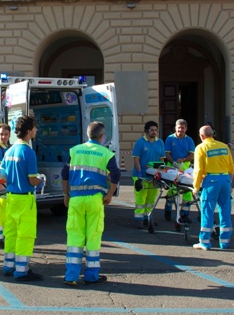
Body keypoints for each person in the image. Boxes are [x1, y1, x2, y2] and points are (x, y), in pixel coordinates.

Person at [61, 122, 121, 286]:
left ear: (88, 134)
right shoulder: (106, 153)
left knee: (74, 237)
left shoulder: (75, 150)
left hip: (76, 199)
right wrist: (110, 194)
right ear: (101, 137)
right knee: (93, 237)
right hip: (95, 199)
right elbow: (116, 175)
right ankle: (91, 276)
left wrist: (66, 194)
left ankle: (71, 276)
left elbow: (64, 174)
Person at [0, 115, 44, 281]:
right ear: (28, 131)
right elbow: (32, 180)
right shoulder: (28, 152)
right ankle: (21, 270)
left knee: (11, 234)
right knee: (25, 235)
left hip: (11, 197)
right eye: (35, 127)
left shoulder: (9, 151)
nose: (36, 130)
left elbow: (2, 176)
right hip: (25, 199)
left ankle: (8, 266)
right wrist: (40, 181)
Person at [191, 125, 234, 250]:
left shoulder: (201, 148)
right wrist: (229, 183)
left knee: (207, 211)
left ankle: (204, 242)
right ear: (213, 134)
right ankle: (224, 242)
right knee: (225, 210)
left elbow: (198, 170)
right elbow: (232, 168)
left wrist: (195, 187)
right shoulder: (224, 146)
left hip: (211, 181)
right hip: (225, 179)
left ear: (201, 136)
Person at [132, 120, 166, 228]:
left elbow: (162, 159)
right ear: (146, 131)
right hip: (141, 175)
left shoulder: (160, 142)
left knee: (151, 198)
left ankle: (149, 217)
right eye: (152, 130)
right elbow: (136, 159)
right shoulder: (140, 142)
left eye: (156, 130)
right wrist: (139, 173)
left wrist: (161, 172)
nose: (154, 132)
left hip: (154, 175)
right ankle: (139, 219)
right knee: (141, 198)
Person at [164, 119, 196, 224]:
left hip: (185, 170)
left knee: (188, 192)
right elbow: (167, 153)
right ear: (175, 128)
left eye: (182, 128)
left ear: (186, 129)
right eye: (179, 128)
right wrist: (173, 162)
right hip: (172, 169)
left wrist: (183, 159)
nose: (180, 130)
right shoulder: (170, 139)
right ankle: (168, 209)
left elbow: (192, 155)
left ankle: (185, 214)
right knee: (172, 191)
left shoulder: (189, 140)